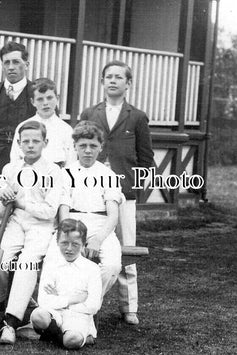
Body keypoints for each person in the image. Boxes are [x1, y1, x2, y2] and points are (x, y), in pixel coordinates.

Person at [80, 60, 155, 325]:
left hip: (123, 193)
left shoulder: (136, 116)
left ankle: (129, 306)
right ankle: (84, 299)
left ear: (128, 83)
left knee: (126, 250)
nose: (113, 80)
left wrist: (135, 189)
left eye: (118, 77)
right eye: (108, 76)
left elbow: (147, 159)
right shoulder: (90, 112)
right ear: (102, 82)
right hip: (90, 194)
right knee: (90, 246)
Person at [0, 120, 62, 345]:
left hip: (40, 227)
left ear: (45, 142)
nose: (30, 145)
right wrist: (2, 200)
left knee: (27, 263)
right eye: (26, 142)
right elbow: (0, 210)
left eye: (36, 141)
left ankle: (10, 323)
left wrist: (21, 203)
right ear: (19, 143)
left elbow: (50, 211)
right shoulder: (9, 168)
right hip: (14, 223)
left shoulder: (53, 170)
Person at [58, 121, 122, 303]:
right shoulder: (65, 173)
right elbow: (64, 210)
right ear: (75, 147)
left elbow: (113, 215)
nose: (88, 150)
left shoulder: (108, 175)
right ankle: (60, 306)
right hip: (72, 224)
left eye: (93, 146)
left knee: (112, 266)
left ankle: (85, 303)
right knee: (57, 261)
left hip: (101, 227)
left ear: (100, 147)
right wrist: (70, 235)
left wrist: (97, 239)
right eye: (83, 146)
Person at [31, 219, 101, 350]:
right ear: (57, 242)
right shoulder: (51, 266)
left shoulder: (92, 269)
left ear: (83, 244)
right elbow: (44, 301)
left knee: (72, 341)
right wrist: (72, 299)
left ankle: (56, 335)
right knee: (38, 316)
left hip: (79, 316)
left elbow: (93, 306)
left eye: (75, 244)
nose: (69, 249)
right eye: (64, 243)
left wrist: (60, 300)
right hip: (54, 313)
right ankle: (62, 334)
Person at [0, 41, 36, 175]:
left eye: (16, 62)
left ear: (26, 65)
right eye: (6, 63)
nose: (11, 67)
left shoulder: (38, 95)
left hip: (24, 161)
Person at [10, 78, 75, 167]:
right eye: (40, 99)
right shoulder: (23, 127)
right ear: (33, 102)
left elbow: (71, 163)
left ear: (57, 98)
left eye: (49, 98)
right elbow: (15, 159)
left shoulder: (66, 129)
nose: (45, 103)